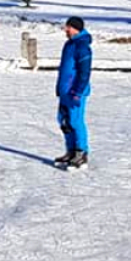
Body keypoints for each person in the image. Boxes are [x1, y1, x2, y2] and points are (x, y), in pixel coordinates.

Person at [56, 17, 93, 171]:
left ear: (76, 28)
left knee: (75, 121)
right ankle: (71, 151)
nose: (66, 30)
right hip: (65, 90)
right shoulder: (69, 44)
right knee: (63, 121)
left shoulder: (82, 46)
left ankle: (81, 153)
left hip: (75, 92)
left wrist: (77, 91)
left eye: (68, 27)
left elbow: (84, 73)